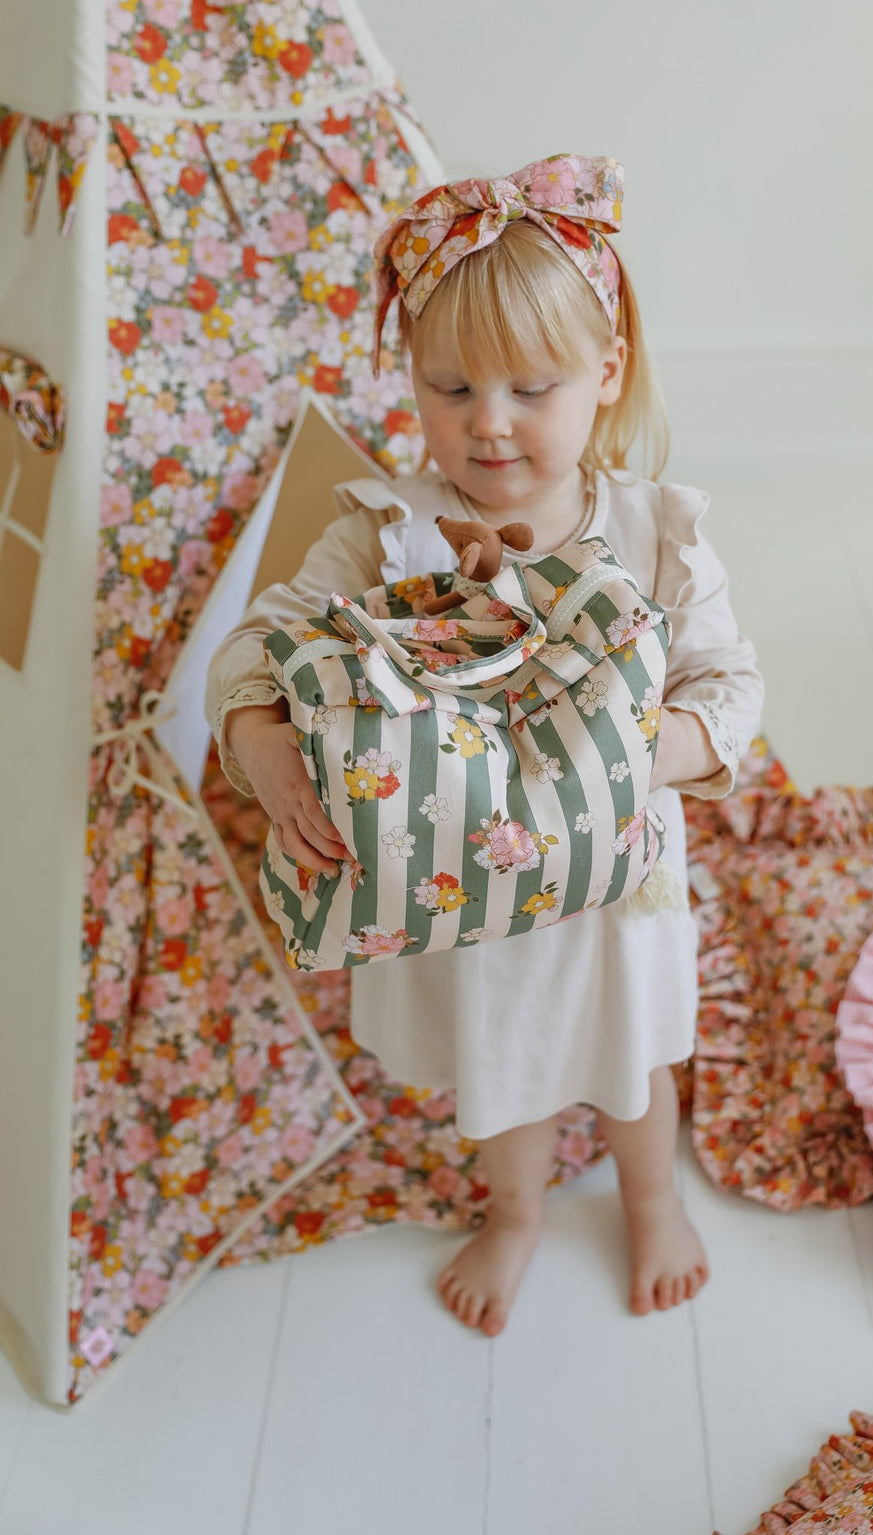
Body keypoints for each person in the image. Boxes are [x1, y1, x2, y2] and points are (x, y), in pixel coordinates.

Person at [205, 154, 763, 1338]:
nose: (488, 422)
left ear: (606, 374)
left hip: (615, 886)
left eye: (529, 386)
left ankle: (650, 1197)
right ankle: (514, 1212)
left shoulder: (654, 530)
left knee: (632, 1063)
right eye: (449, 386)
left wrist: (633, 752)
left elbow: (730, 681)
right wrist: (262, 744)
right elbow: (257, 643)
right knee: (504, 1066)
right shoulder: (388, 528)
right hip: (462, 894)